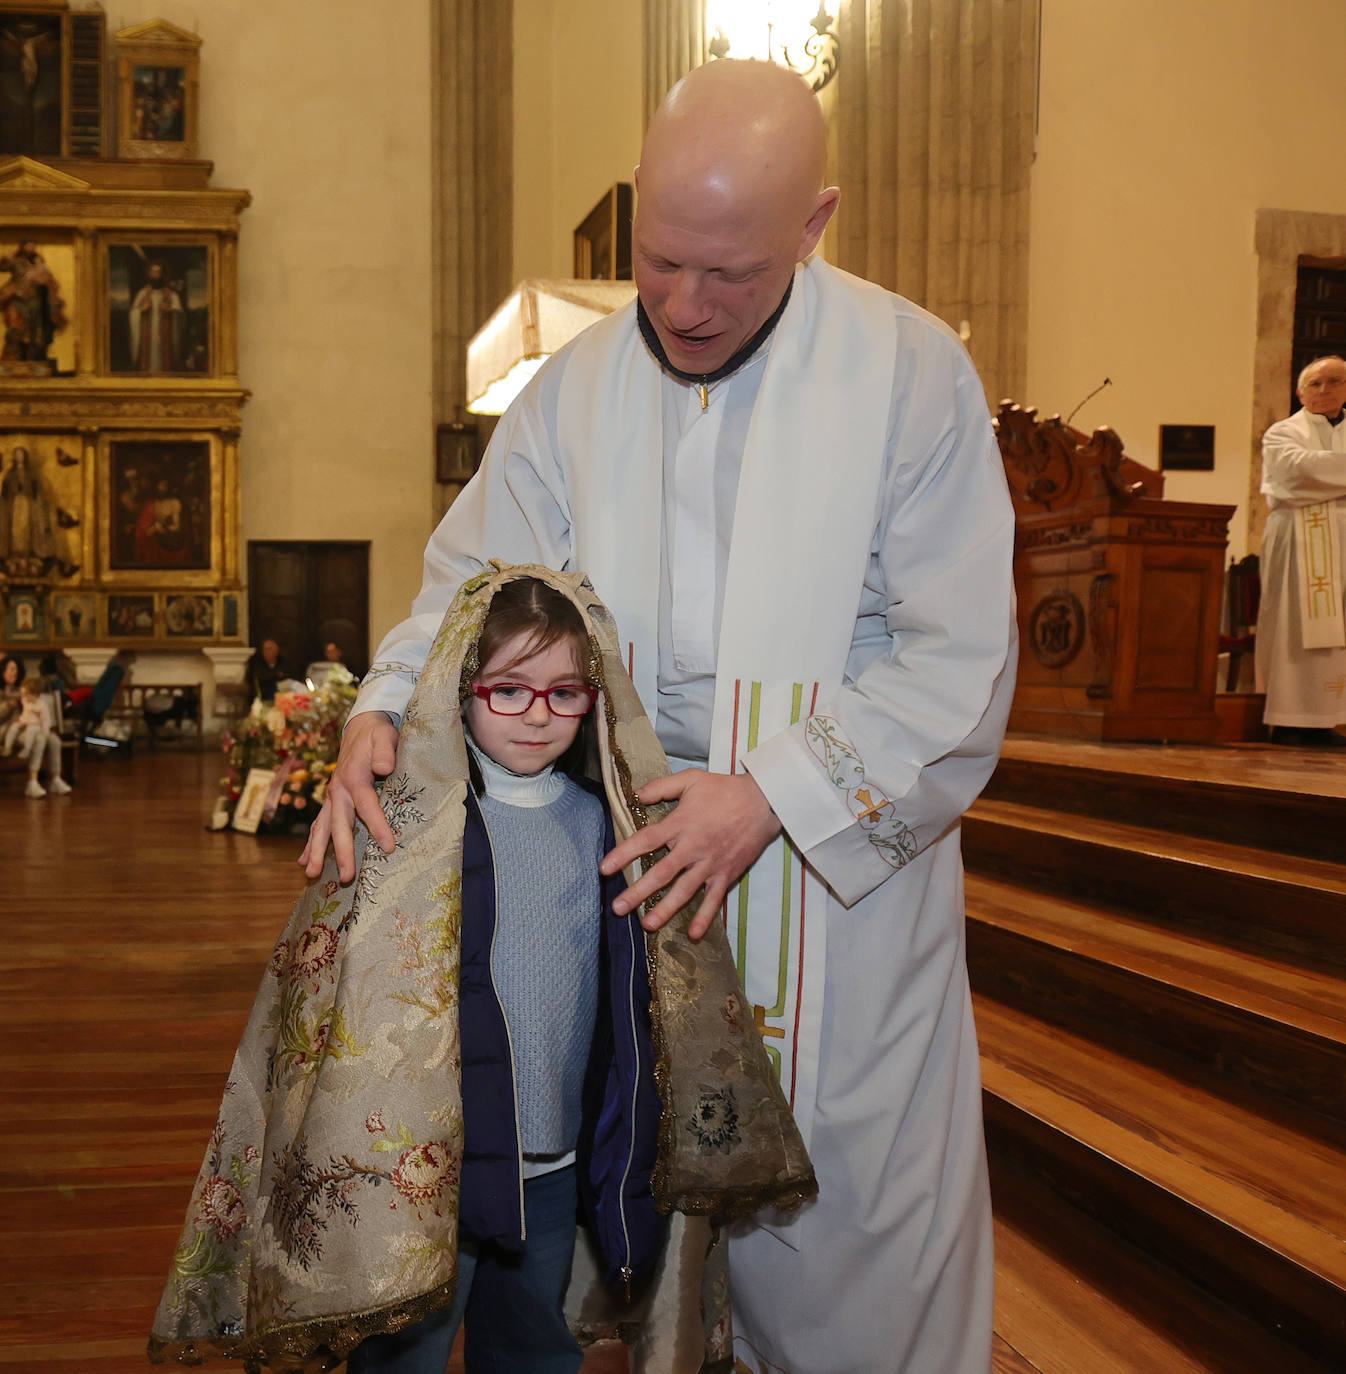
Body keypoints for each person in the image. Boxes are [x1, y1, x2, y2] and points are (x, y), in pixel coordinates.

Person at [308, 58, 1016, 1374]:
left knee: (849, 1230)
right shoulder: (573, 388)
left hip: (825, 882)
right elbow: (476, 584)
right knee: (631, 1197)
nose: (684, 307)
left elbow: (957, 657)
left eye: (729, 274)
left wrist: (770, 795)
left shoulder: (910, 377)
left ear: (815, 224)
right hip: (615, 860)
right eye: (660, 261)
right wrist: (388, 703)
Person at [149, 564, 811, 1372]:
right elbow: (335, 1004)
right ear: (462, 686)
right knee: (405, 1351)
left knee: (532, 1344)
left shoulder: (616, 829)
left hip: (554, 1167)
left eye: (565, 693)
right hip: (428, 1175)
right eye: (509, 689)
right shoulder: (404, 832)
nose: (537, 717)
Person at [1256, 355, 1346, 747]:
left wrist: (1324, 474)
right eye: (1315, 384)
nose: (1325, 390)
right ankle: (1291, 718)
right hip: (1297, 538)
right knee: (1294, 625)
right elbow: (1295, 472)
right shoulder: (1281, 432)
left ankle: (1330, 719)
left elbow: (1313, 473)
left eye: (1335, 381)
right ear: (1299, 392)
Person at [7, 677, 71, 797]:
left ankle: (55, 778)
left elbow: (45, 719)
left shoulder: (37, 701)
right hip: (23, 729)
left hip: (38, 728)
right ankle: (32, 781)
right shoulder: (16, 695)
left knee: (55, 741)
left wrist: (45, 730)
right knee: (39, 739)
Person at [128, 259, 185, 372]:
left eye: (158, 272)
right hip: (147, 339)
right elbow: (132, 313)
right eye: (153, 272)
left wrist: (170, 310)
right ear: (149, 274)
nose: (156, 275)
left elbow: (180, 315)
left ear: (163, 274)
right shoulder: (142, 293)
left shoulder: (172, 295)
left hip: (165, 338)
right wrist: (141, 311)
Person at [245, 636, 287, 702]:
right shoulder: (256, 663)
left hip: (282, 696)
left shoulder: (283, 663)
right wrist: (275, 675)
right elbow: (259, 677)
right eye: (265, 649)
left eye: (269, 649)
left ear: (276, 651)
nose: (266, 652)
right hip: (262, 696)